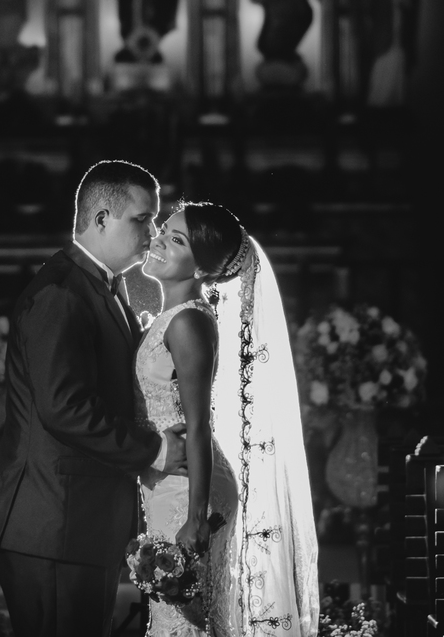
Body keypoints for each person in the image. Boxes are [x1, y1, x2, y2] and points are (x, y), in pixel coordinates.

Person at [0, 160, 189, 637]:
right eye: (142, 218)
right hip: (54, 522)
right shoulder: (61, 293)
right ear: (101, 219)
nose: (152, 232)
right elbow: (65, 408)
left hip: (78, 521)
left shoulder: (101, 285)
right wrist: (155, 450)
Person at [137, 202, 320, 636]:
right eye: (164, 230)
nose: (158, 240)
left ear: (202, 269)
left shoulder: (188, 322)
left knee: (182, 623)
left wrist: (196, 516)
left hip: (187, 488)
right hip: (172, 479)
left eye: (176, 240)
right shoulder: (172, 317)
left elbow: (200, 424)